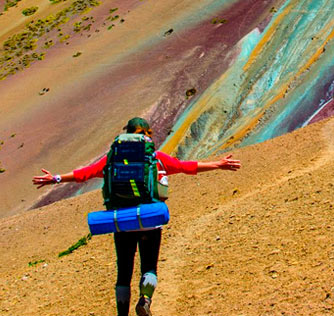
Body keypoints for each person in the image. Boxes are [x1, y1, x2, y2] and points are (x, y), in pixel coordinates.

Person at [32, 117, 241, 316]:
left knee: (123, 272)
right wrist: (218, 164)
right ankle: (145, 300)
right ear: (147, 134)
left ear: (126, 134)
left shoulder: (112, 159)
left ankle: (122, 312)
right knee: (148, 266)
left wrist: (55, 178)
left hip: (121, 221)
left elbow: (83, 174)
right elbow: (185, 167)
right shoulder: (155, 158)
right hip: (149, 220)